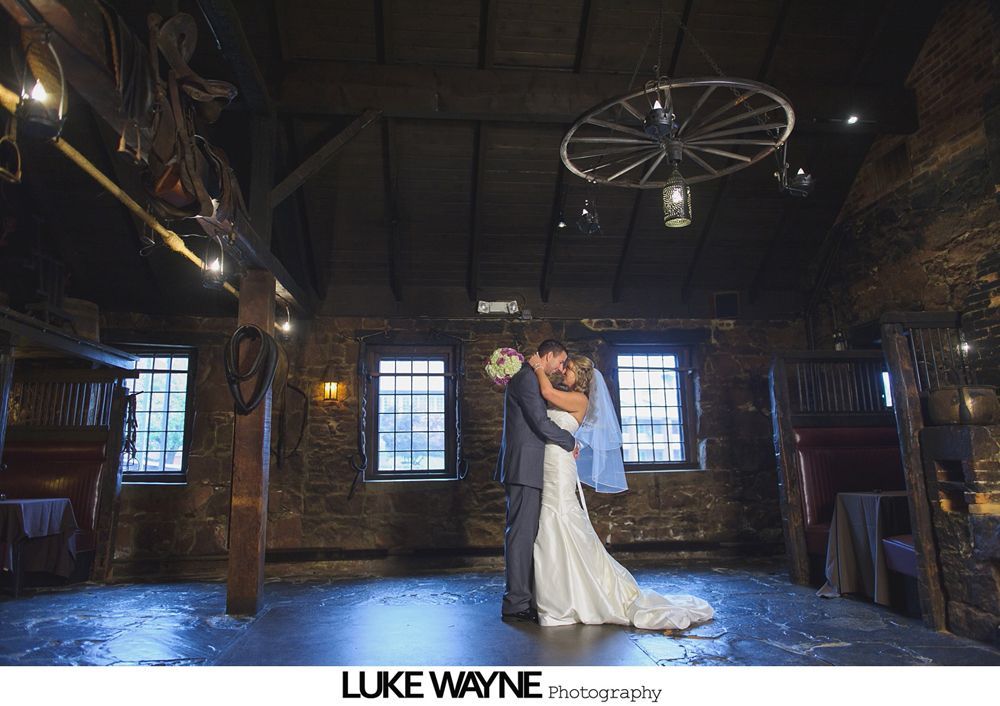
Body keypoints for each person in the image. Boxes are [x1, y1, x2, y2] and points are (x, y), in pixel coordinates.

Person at [526, 353, 714, 630]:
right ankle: (563, 590)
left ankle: (569, 597)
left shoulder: (580, 400)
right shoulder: (568, 395)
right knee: (556, 518)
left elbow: (545, 391)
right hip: (552, 460)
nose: (563, 371)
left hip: (560, 464)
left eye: (567, 369)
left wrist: (539, 367)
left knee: (559, 515)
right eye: (563, 367)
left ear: (579, 375)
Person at [495, 340, 579, 623]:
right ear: (548, 354)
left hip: (528, 467)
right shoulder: (527, 378)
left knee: (525, 533)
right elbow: (540, 422)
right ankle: (516, 603)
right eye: (560, 360)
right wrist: (570, 441)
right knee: (520, 534)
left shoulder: (530, 376)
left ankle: (525, 597)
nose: (560, 367)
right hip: (523, 467)